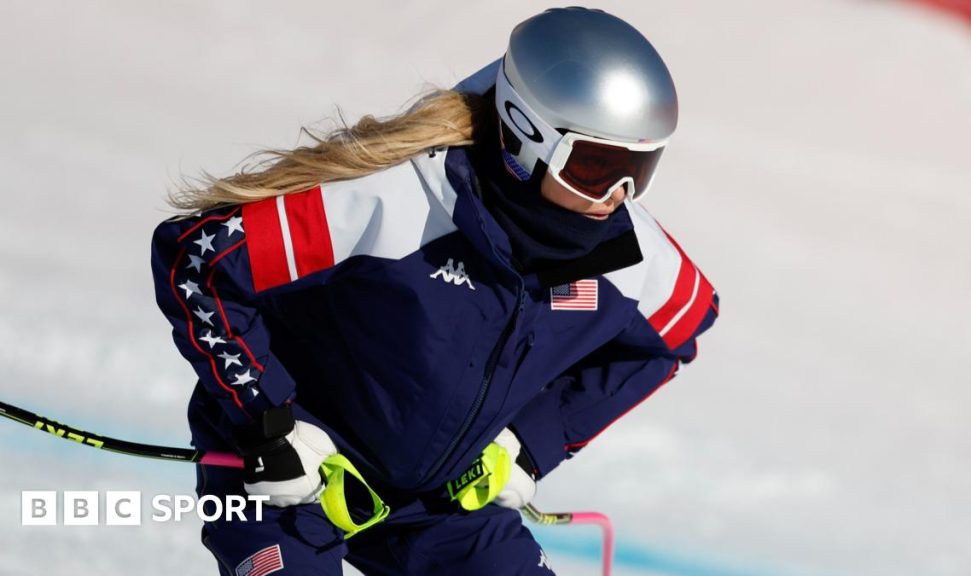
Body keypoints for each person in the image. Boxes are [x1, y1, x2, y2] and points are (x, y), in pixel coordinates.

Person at [151, 7, 718, 575]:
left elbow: (678, 331)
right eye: (595, 167)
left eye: (639, 169)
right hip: (291, 480)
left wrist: (528, 442)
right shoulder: (396, 200)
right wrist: (267, 423)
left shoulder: (627, 258)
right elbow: (200, 260)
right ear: (525, 133)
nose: (618, 194)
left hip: (442, 511)